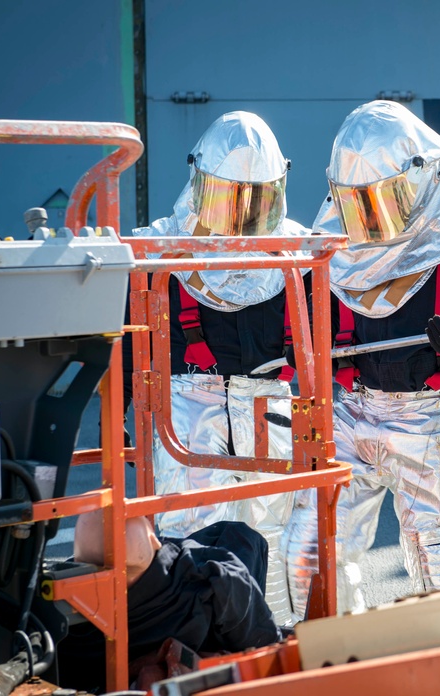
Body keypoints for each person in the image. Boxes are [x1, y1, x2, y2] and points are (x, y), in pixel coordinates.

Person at [283, 100, 440, 619]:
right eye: (357, 203)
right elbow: (294, 334)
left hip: (427, 419)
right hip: (346, 414)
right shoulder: (329, 250)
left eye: (383, 199)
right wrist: (297, 353)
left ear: (421, 179)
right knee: (308, 557)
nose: (371, 218)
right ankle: (338, 654)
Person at [129, 111, 309, 627]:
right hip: (188, 411)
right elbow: (124, 343)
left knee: (272, 530)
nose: (241, 214)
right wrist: (122, 418)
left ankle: (272, 640)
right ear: (199, 184)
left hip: (269, 409)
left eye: (256, 200)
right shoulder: (158, 250)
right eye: (229, 198)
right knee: (189, 536)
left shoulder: (301, 252)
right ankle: (190, 645)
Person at [59, 510, 281, 690]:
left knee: (229, 535)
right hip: (211, 633)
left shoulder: (60, 607)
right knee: (243, 538)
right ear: (154, 540)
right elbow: (266, 646)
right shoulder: (214, 581)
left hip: (104, 663)